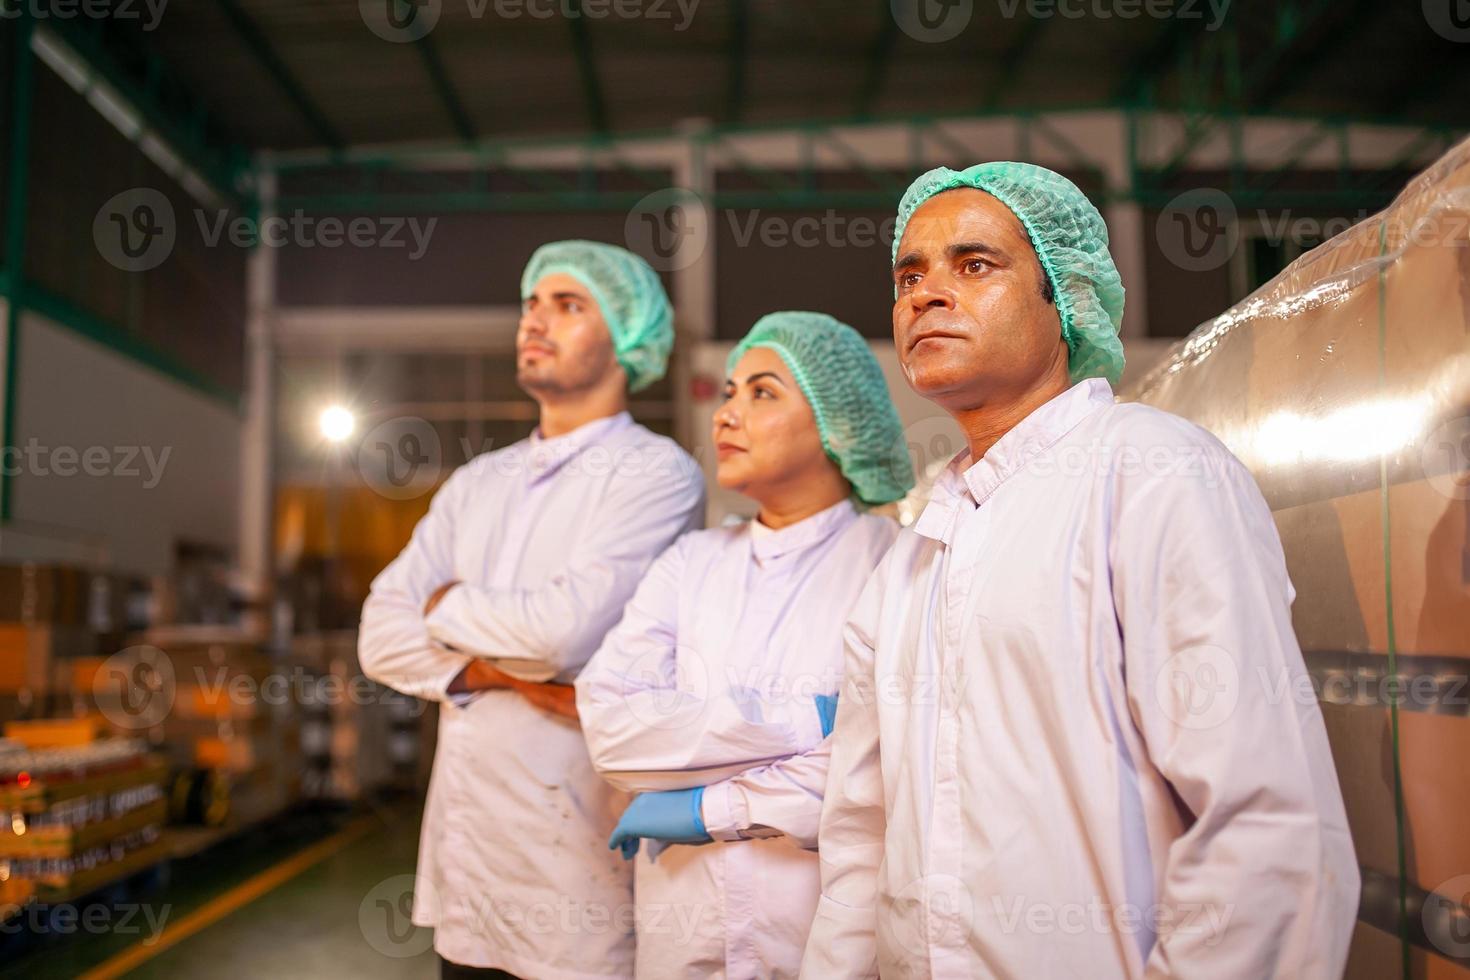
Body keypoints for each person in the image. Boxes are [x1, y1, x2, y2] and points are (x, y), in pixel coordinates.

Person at [801, 164, 1359, 978]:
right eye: (909, 275)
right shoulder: (914, 556)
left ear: (1063, 297)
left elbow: (1263, 825)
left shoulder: (1154, 475)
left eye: (975, 264)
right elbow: (860, 835)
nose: (925, 294)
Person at [359, 240, 706, 980]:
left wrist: (445, 605)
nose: (534, 321)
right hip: (467, 879)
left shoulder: (655, 473)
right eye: (530, 304)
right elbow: (380, 635)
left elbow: (561, 633)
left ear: (627, 339)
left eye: (568, 305)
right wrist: (502, 672)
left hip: (572, 879)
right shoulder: (476, 483)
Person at [574, 312, 915, 979]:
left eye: (762, 392)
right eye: (729, 392)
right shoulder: (690, 562)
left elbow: (883, 776)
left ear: (837, 420)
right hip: (680, 939)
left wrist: (704, 807)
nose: (727, 414)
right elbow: (612, 731)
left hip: (825, 941)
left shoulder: (897, 566)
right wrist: (810, 721)